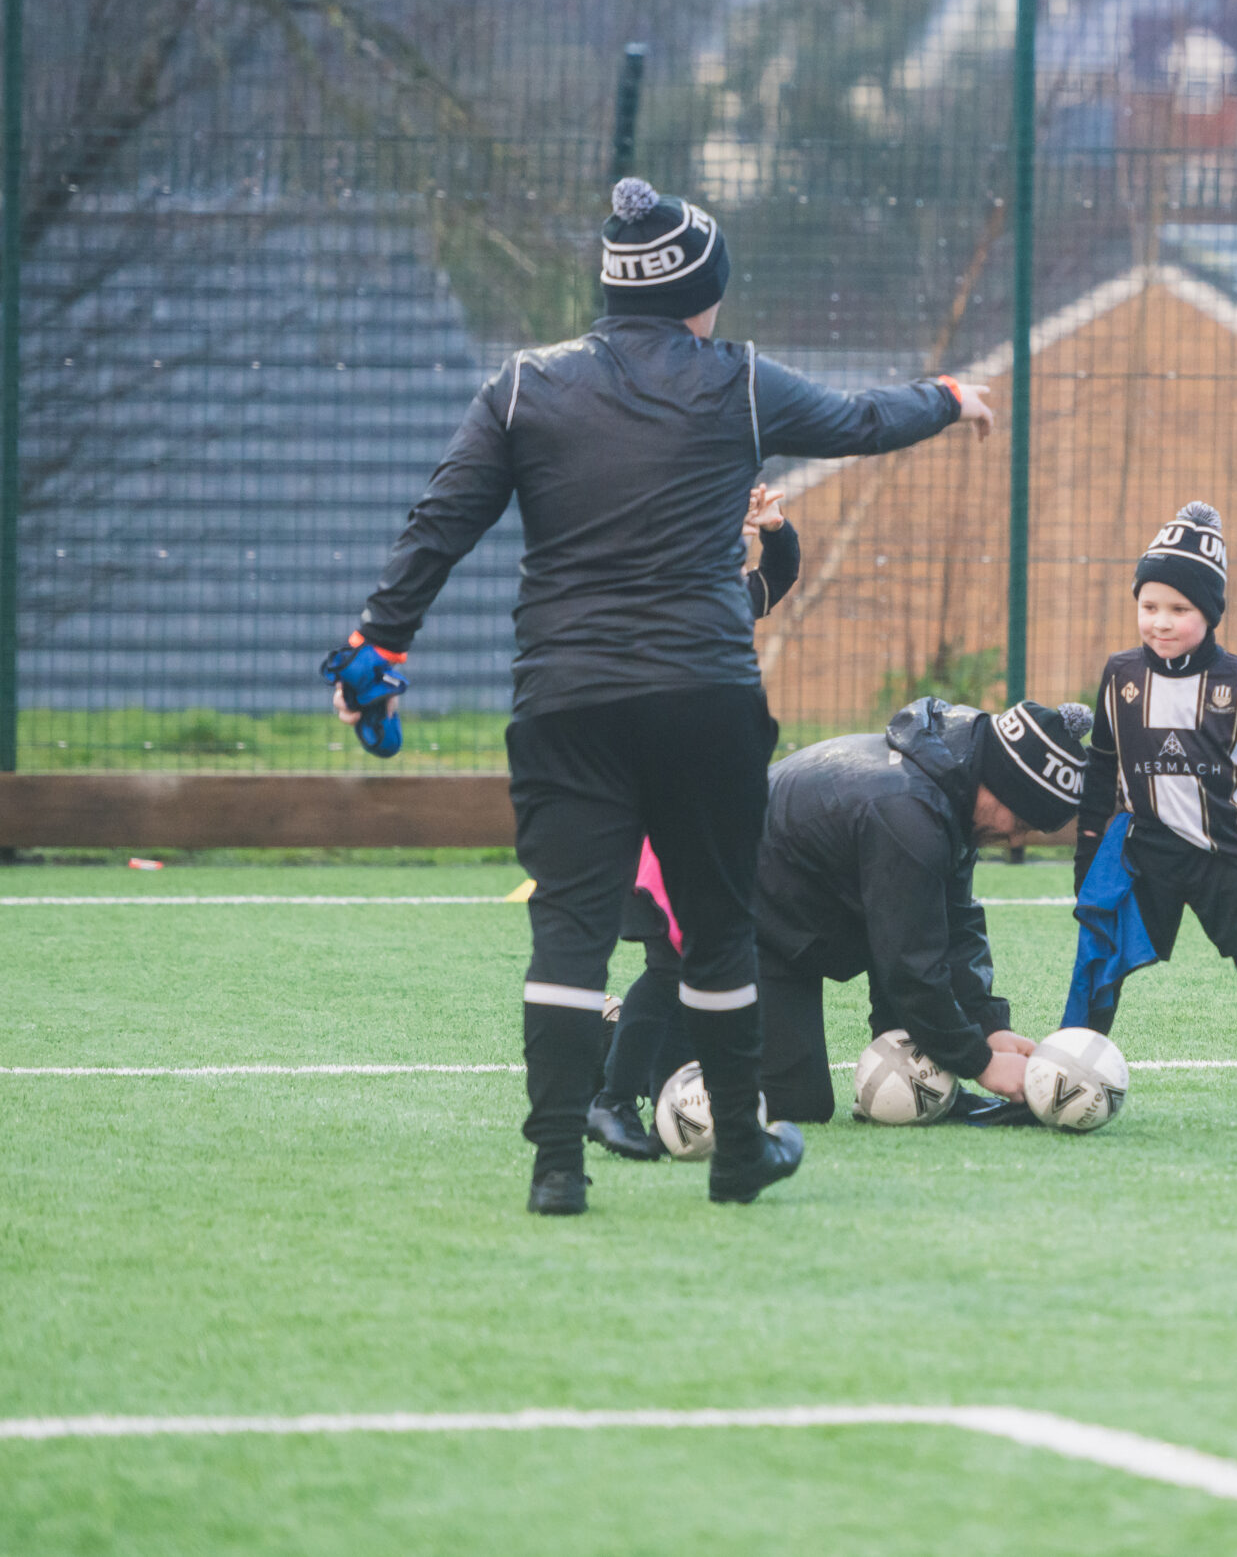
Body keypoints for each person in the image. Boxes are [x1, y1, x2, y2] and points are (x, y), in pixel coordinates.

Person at [332, 176, 996, 1215]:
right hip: (704, 698)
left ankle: (557, 1167)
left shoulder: (522, 386)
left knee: (569, 934)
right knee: (717, 931)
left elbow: (439, 523)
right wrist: (949, 399)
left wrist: (381, 646)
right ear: (701, 290)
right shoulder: (735, 382)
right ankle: (740, 1152)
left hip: (566, 701)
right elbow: (861, 420)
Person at [1073, 502, 1237, 1132]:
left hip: (1226, 864)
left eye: (1180, 609)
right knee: (1102, 965)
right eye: (1149, 606)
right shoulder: (1119, 675)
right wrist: (1086, 850)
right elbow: (1102, 768)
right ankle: (1065, 1081)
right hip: (1145, 856)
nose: (1161, 622)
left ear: (1210, 613)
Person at [746, 696, 1094, 1125]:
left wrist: (988, 1026)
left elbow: (952, 922)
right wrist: (981, 1062)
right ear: (1001, 784)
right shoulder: (910, 814)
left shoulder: (952, 787)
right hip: (745, 917)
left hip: (810, 905)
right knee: (793, 1107)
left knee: (909, 926)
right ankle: (686, 1041)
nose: (1015, 838)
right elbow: (910, 965)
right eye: (1021, 822)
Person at [585, 483, 800, 1159]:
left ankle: (628, 1079)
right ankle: (611, 1099)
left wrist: (777, 528)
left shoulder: (726, 599)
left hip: (716, 814)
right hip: (667, 827)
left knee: (691, 965)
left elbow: (778, 576)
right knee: (676, 962)